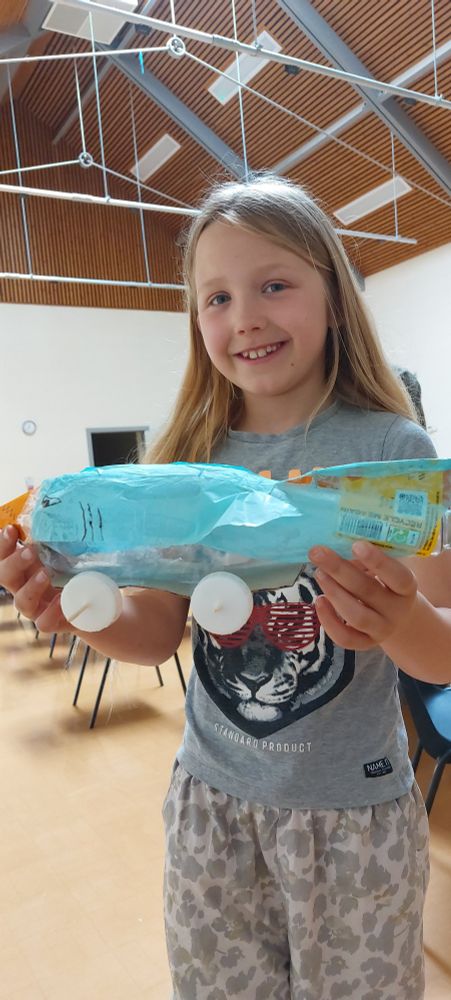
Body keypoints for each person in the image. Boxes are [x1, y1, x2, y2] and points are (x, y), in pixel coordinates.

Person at [1, 175, 451, 1000]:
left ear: (333, 295)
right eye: (215, 296)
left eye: (273, 285)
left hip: (352, 820)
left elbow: (443, 648)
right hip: (212, 805)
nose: (242, 315)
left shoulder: (391, 446)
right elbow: (156, 632)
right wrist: (74, 608)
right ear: (194, 319)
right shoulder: (189, 451)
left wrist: (399, 619)